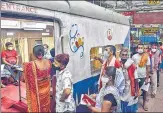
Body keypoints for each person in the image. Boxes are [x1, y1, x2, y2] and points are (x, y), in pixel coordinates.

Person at [23, 45, 51, 112]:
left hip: (38, 90)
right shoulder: (49, 62)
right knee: (46, 103)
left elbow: (25, 79)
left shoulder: (31, 64)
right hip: (47, 87)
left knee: (39, 106)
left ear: (34, 53)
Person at [120, 47, 139, 112]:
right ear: (120, 55)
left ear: (128, 56)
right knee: (122, 106)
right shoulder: (119, 64)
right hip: (121, 89)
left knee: (130, 106)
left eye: (126, 55)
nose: (124, 56)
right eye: (123, 55)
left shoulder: (132, 65)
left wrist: (137, 91)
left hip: (130, 89)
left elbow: (136, 79)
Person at [132, 44, 150, 111]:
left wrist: (147, 78)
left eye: (141, 48)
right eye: (139, 48)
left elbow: (148, 68)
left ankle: (144, 104)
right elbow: (132, 67)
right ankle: (135, 104)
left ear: (143, 49)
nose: (140, 49)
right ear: (137, 49)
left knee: (145, 91)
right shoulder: (134, 56)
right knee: (135, 91)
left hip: (144, 76)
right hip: (136, 77)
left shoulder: (146, 57)